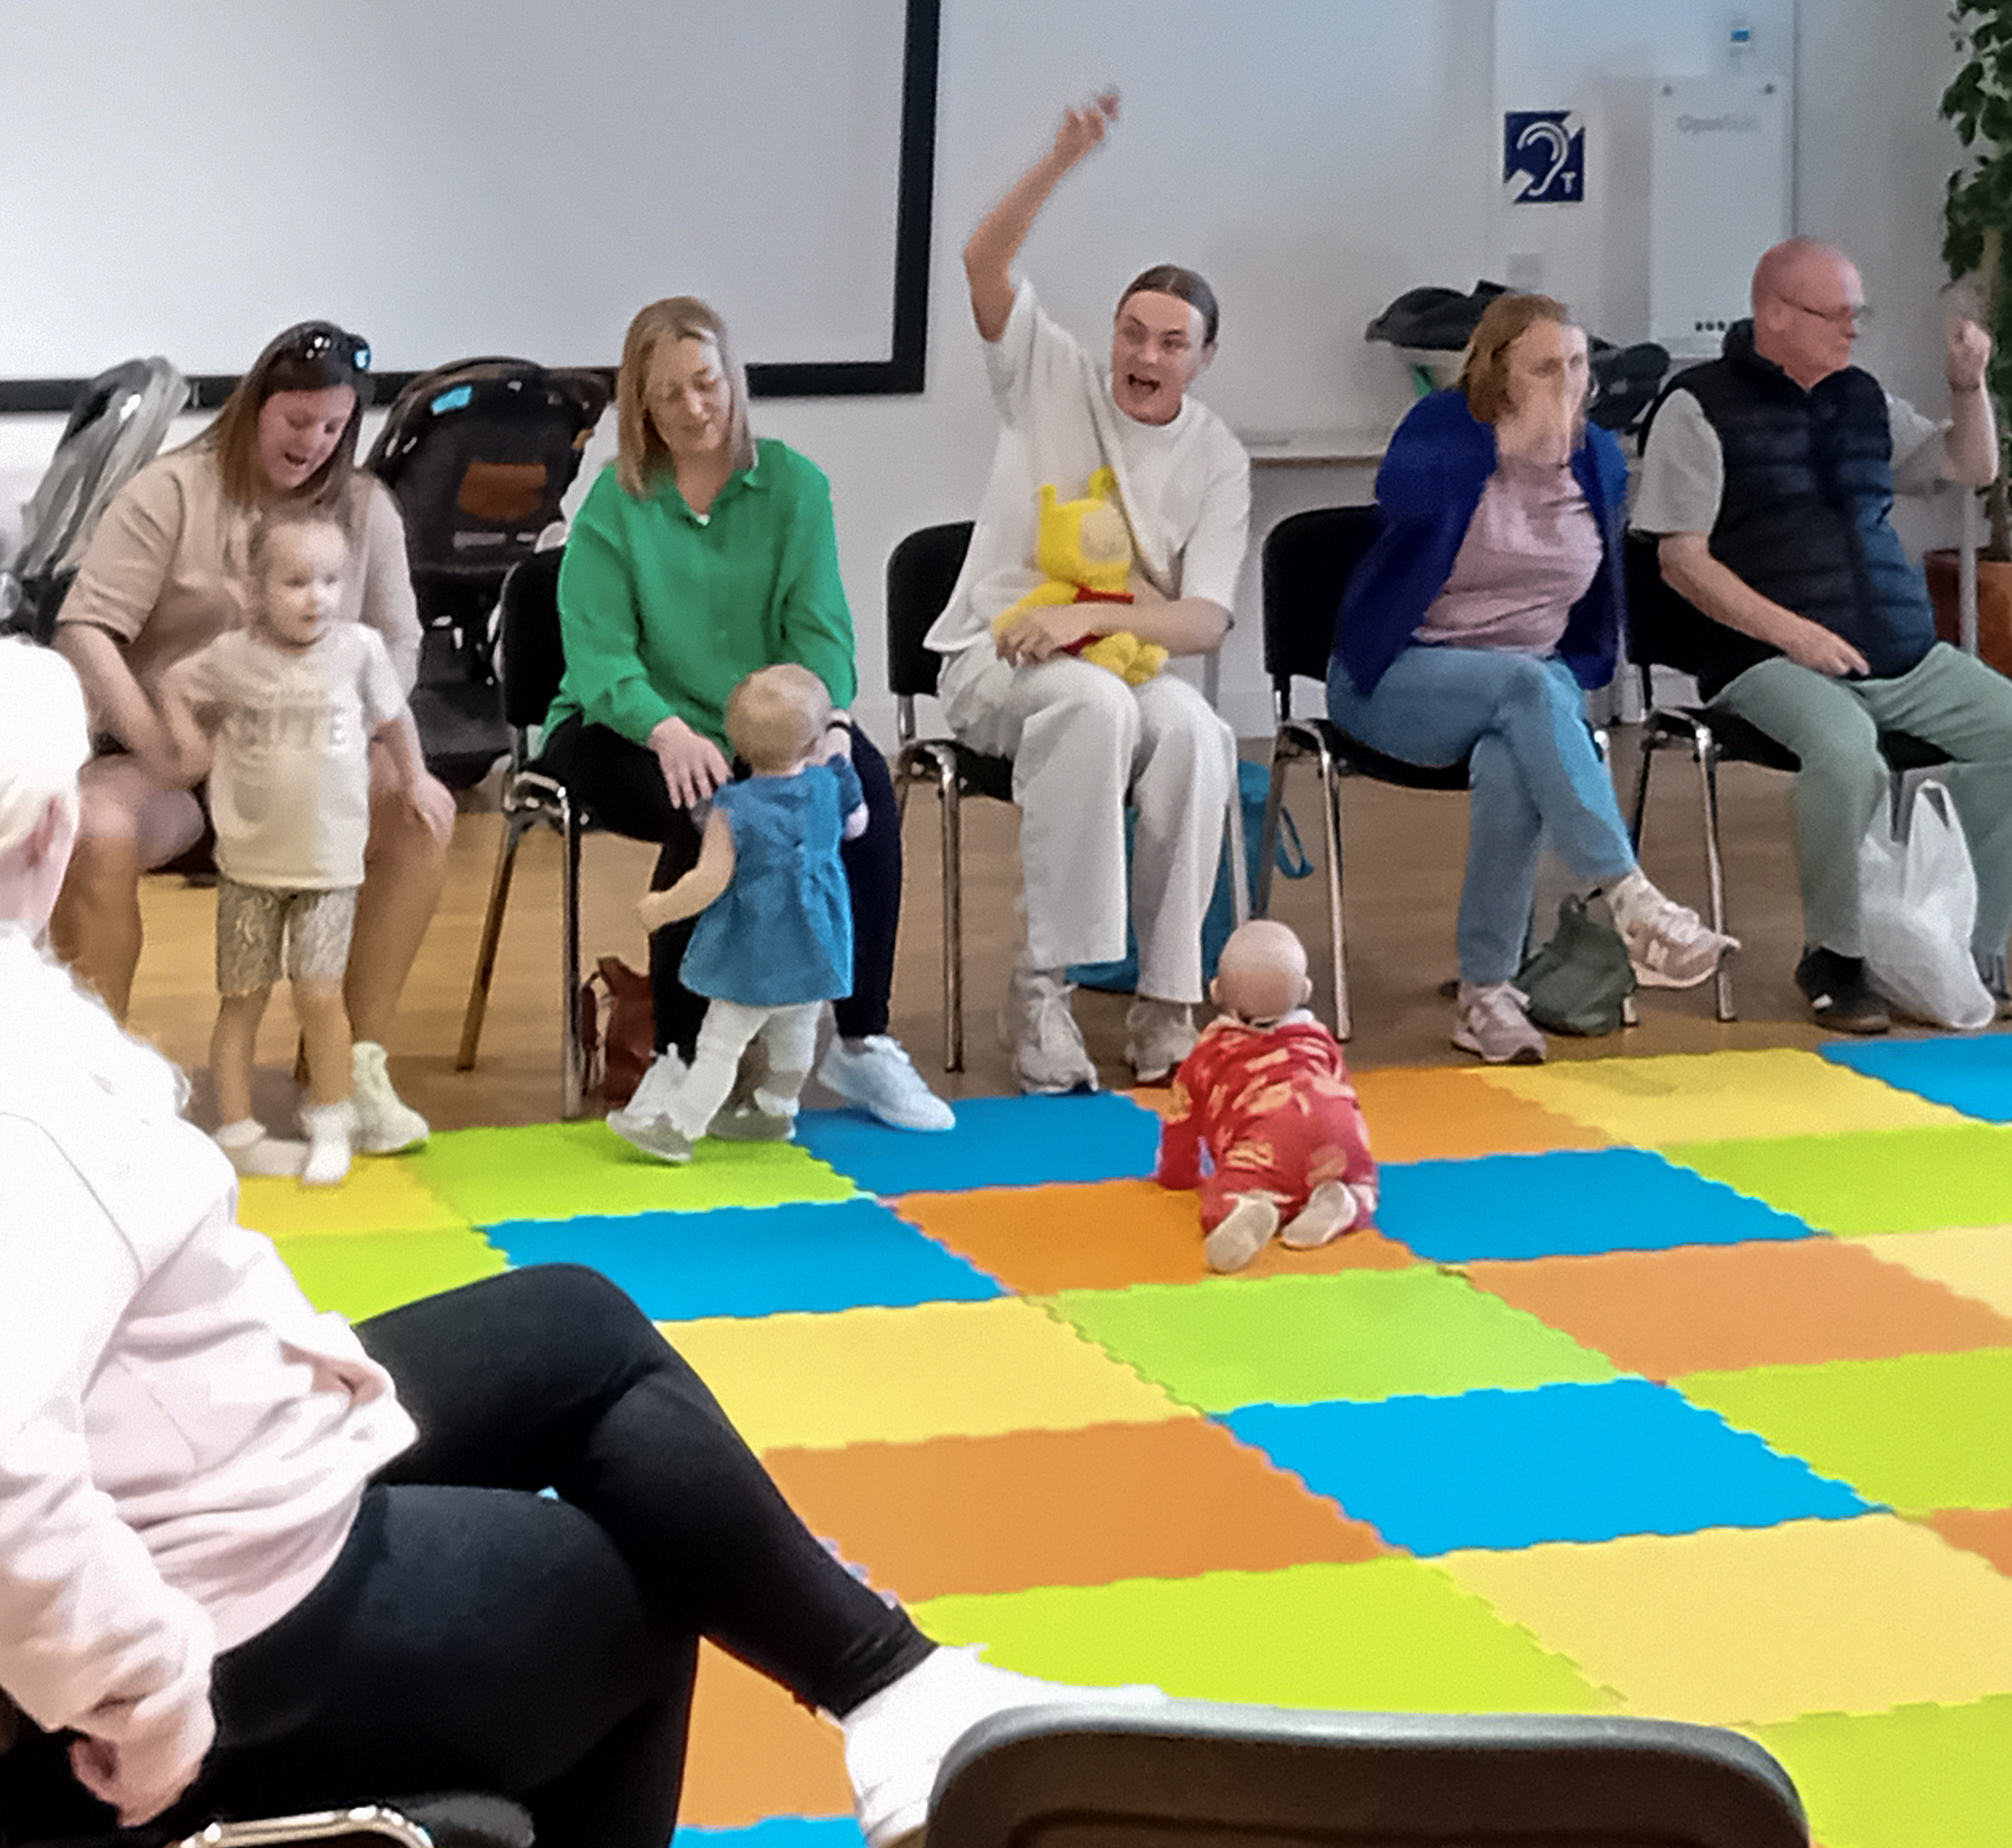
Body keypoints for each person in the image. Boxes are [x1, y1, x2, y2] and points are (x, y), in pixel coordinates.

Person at [0, 639, 1150, 1848]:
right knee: (642, 1593)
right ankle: (894, 1697)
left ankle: (899, 1689)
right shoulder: (29, 1091)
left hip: (197, 1461)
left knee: (572, 1328)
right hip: (206, 1609)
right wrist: (142, 1683)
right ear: (42, 839)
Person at [537, 296, 950, 1135]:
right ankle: (677, 1056)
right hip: (623, 724)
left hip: (766, 727)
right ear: (640, 407)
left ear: (734, 379)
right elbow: (600, 657)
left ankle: (862, 1037)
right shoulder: (615, 506)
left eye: (706, 384)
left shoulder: (794, 485)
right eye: (668, 396)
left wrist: (825, 722)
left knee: (861, 784)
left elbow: (822, 633)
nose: (694, 409)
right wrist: (667, 728)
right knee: (713, 807)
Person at [1632, 236, 2012, 1034]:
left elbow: (1971, 466)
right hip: (1760, 653)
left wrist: (1970, 387)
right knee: (1844, 746)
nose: (1851, 331)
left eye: (1856, 314)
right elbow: (1681, 561)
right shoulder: (1697, 406)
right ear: (1775, 315)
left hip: (1894, 644)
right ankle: (1838, 955)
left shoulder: (1861, 397)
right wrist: (1793, 634)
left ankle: (1961, 944)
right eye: (1836, 314)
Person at [49, 319, 442, 1156]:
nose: (313, 443)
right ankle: (91, 1080)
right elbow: (86, 630)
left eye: (333, 428)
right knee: (94, 830)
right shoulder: (171, 491)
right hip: (179, 755)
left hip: (307, 757)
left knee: (415, 815)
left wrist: (376, 729)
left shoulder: (366, 508)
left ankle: (349, 1069)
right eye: (297, 422)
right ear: (255, 404)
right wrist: (160, 744)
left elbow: (397, 643)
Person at [931, 88, 1251, 1091]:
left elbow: (1204, 619)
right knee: (1095, 702)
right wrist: (1060, 159)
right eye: (1132, 333)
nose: (1143, 357)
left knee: (1199, 732)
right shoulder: (1050, 378)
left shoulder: (1218, 456)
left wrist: (1090, 616)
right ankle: (1040, 991)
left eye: (1168, 342)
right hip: (998, 662)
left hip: (1115, 660)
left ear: (1202, 359)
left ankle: (1167, 1001)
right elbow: (983, 265)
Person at [1326, 292, 1733, 1062]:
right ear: (1499, 372)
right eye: (1545, 366)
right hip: (1396, 678)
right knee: (1530, 689)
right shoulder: (1445, 430)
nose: (1567, 382)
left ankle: (1487, 994)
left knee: (1517, 749)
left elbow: (1598, 598)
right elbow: (1400, 498)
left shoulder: (1600, 459)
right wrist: (1508, 442)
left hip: (1522, 693)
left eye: (1578, 365)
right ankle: (1630, 899)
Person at [160, 508, 438, 1186]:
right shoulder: (230, 658)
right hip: (250, 867)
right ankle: (236, 1131)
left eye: (330, 581)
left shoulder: (359, 650)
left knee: (321, 995)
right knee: (243, 997)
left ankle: (332, 1119)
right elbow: (171, 684)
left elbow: (393, 717)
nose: (316, 597)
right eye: (294, 582)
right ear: (253, 589)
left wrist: (417, 777)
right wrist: (188, 742)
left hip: (329, 866)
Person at [609, 667, 865, 1164]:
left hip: (756, 950)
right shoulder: (830, 786)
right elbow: (858, 826)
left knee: (720, 1045)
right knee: (797, 1029)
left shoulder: (734, 808)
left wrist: (661, 908)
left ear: (735, 743)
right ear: (814, 740)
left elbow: (710, 880)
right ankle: (777, 1107)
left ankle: (679, 1127)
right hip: (817, 942)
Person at [1155, 920, 1377, 1273]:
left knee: (1226, 1196)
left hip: (1265, 1143)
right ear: (1304, 990)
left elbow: (1180, 1123)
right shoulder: (1319, 1040)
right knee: (1357, 1176)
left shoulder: (1209, 1053)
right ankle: (1345, 1198)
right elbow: (1347, 1097)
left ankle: (1251, 1206)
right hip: (1338, 1138)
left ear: (1216, 991)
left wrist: (1176, 1175)